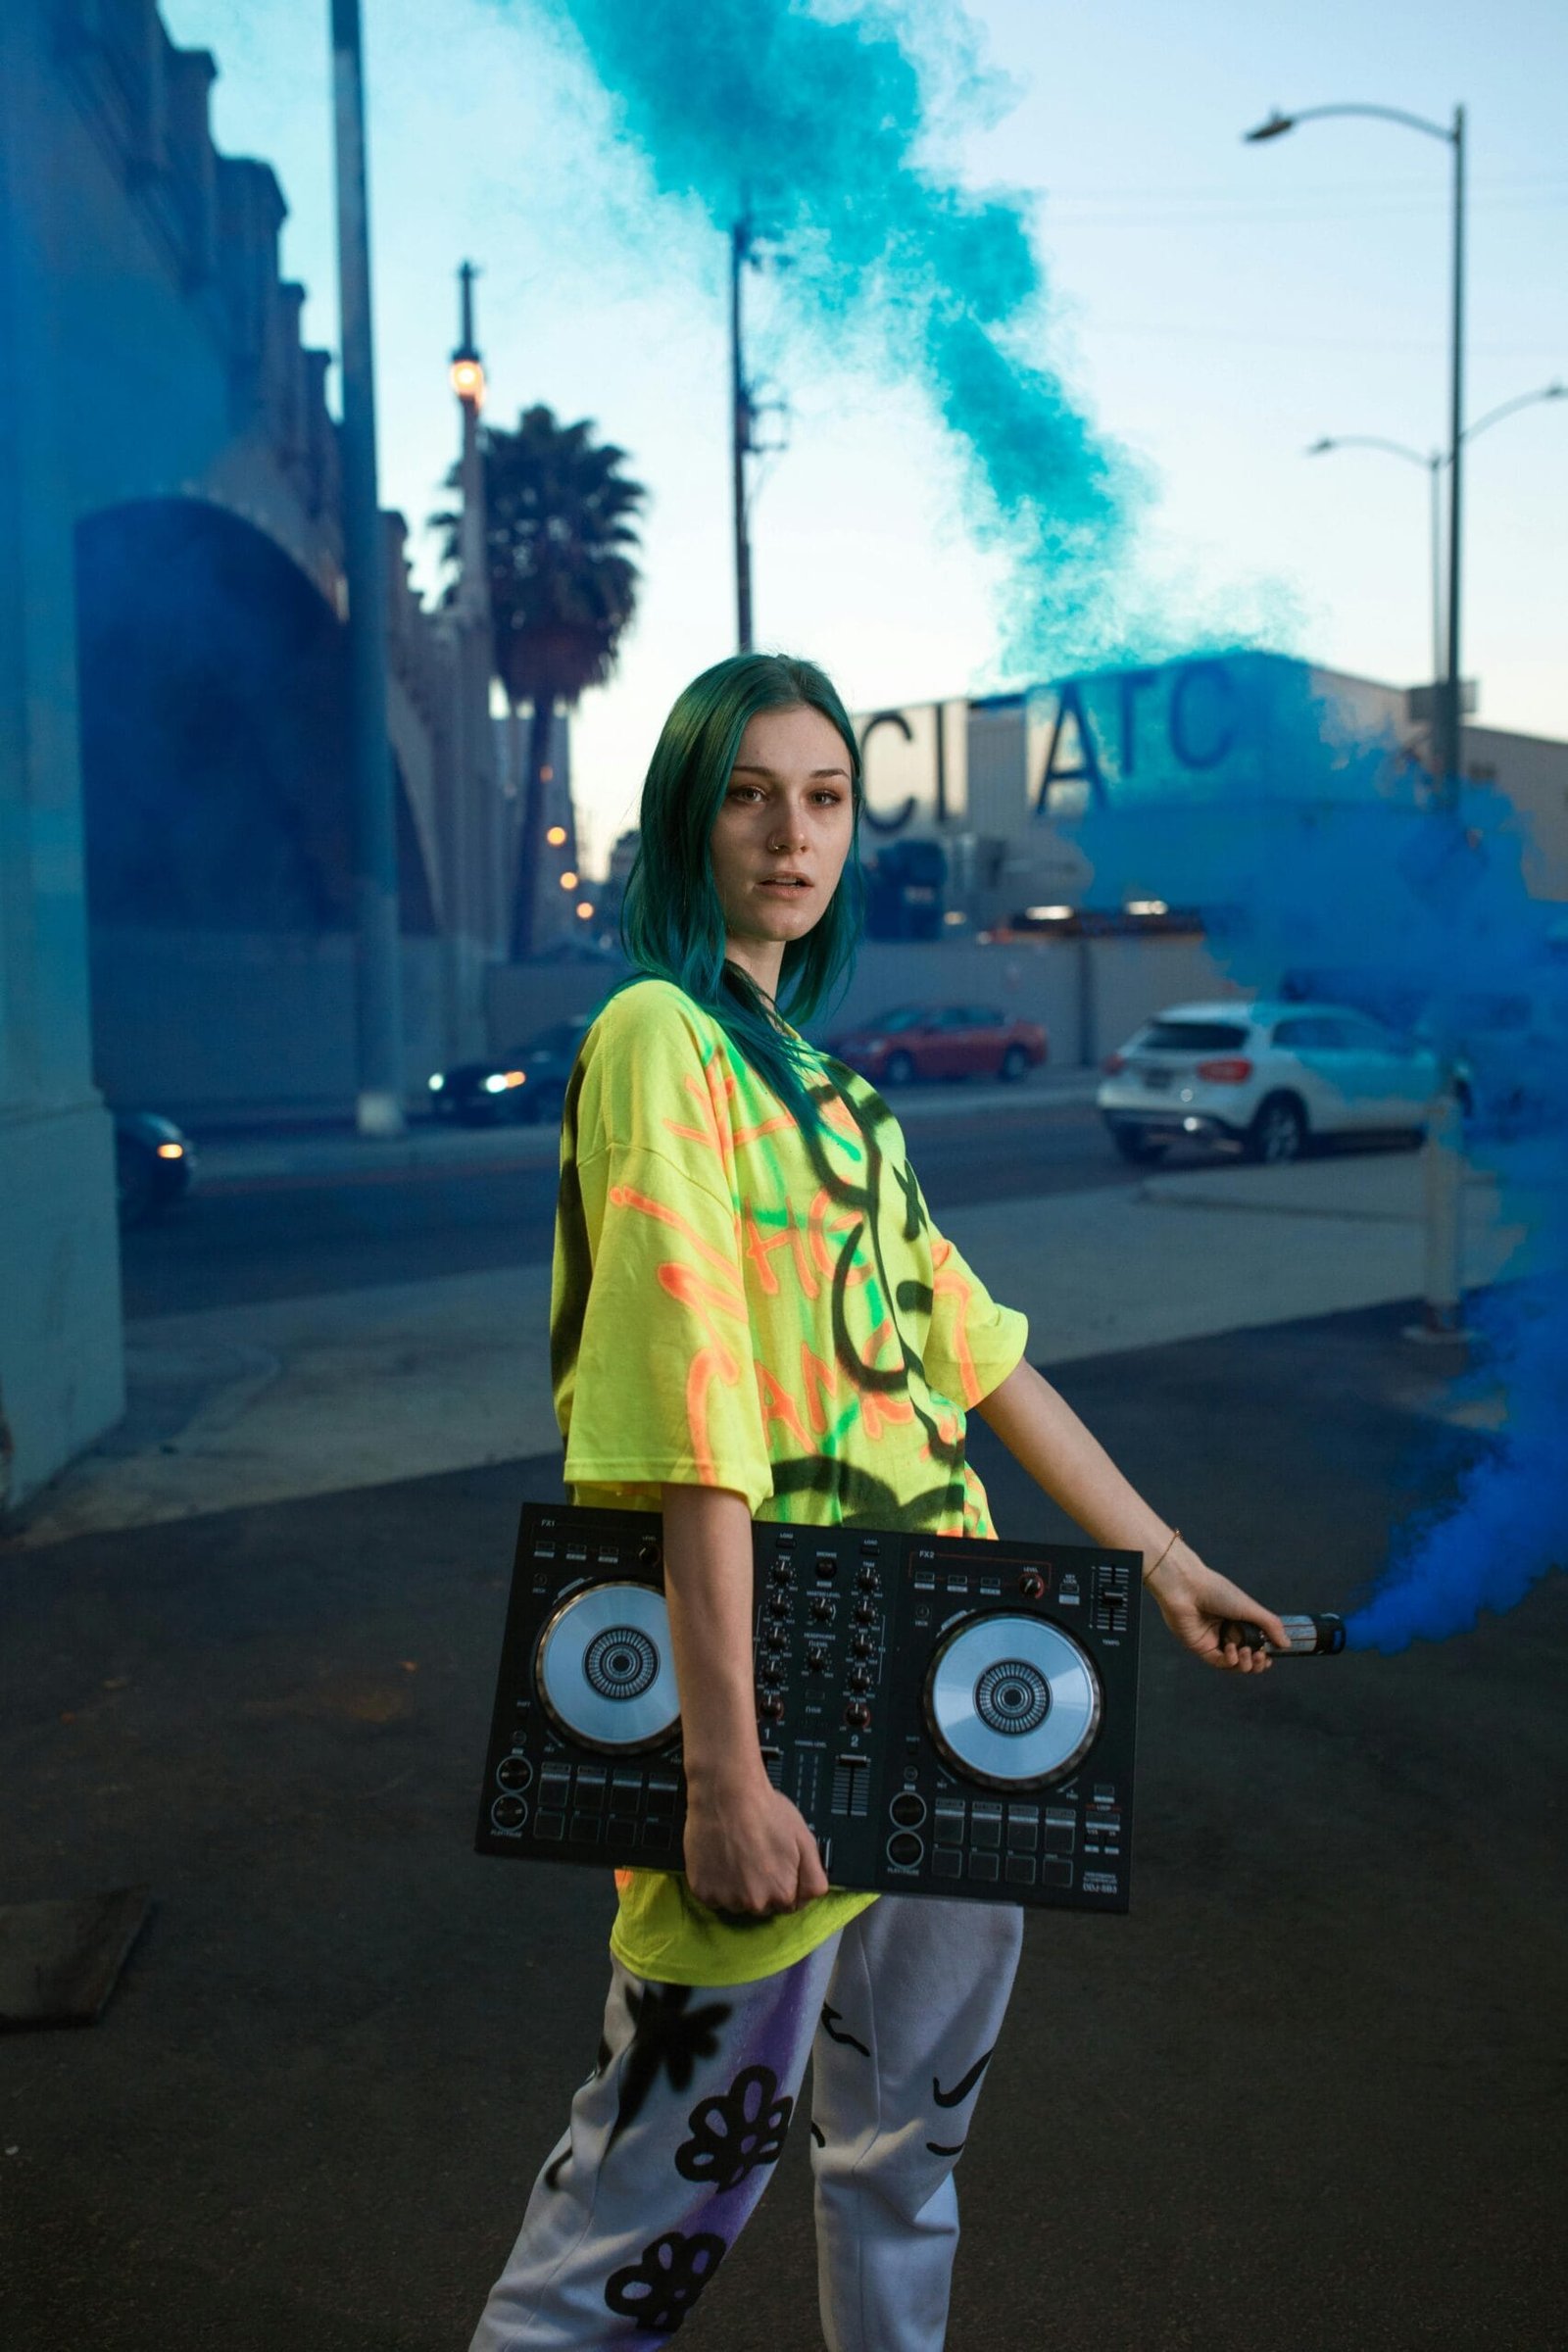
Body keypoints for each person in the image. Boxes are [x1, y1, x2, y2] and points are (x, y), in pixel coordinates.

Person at [468, 653, 1289, 2350]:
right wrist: (722, 1771)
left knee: (910, 2163)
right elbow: (686, 1418)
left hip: (941, 1691)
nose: (793, 834)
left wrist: (1168, 1565)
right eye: (752, 794)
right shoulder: (657, 1039)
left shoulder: (847, 1103)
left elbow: (984, 1365)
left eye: (826, 797)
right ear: (687, 817)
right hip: (770, 1700)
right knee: (639, 2223)